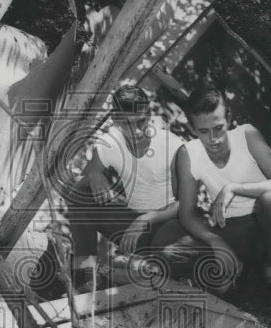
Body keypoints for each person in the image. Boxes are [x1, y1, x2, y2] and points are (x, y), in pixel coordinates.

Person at [173, 86, 271, 301]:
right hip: (227, 231)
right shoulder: (188, 153)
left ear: (228, 118)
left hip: (264, 228)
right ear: (193, 129)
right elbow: (186, 214)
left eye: (218, 127)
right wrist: (213, 240)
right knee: (172, 252)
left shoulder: (247, 135)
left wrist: (234, 187)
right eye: (203, 131)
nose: (214, 139)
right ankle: (235, 270)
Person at [61, 85, 187, 291]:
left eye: (142, 121)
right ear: (116, 121)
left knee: (168, 251)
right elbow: (79, 187)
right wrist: (93, 176)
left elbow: (185, 204)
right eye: (127, 124)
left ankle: (133, 269)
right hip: (131, 230)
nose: (137, 131)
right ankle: (87, 277)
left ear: (149, 114)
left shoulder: (171, 145)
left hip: (167, 227)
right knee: (80, 194)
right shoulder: (109, 143)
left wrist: (145, 219)